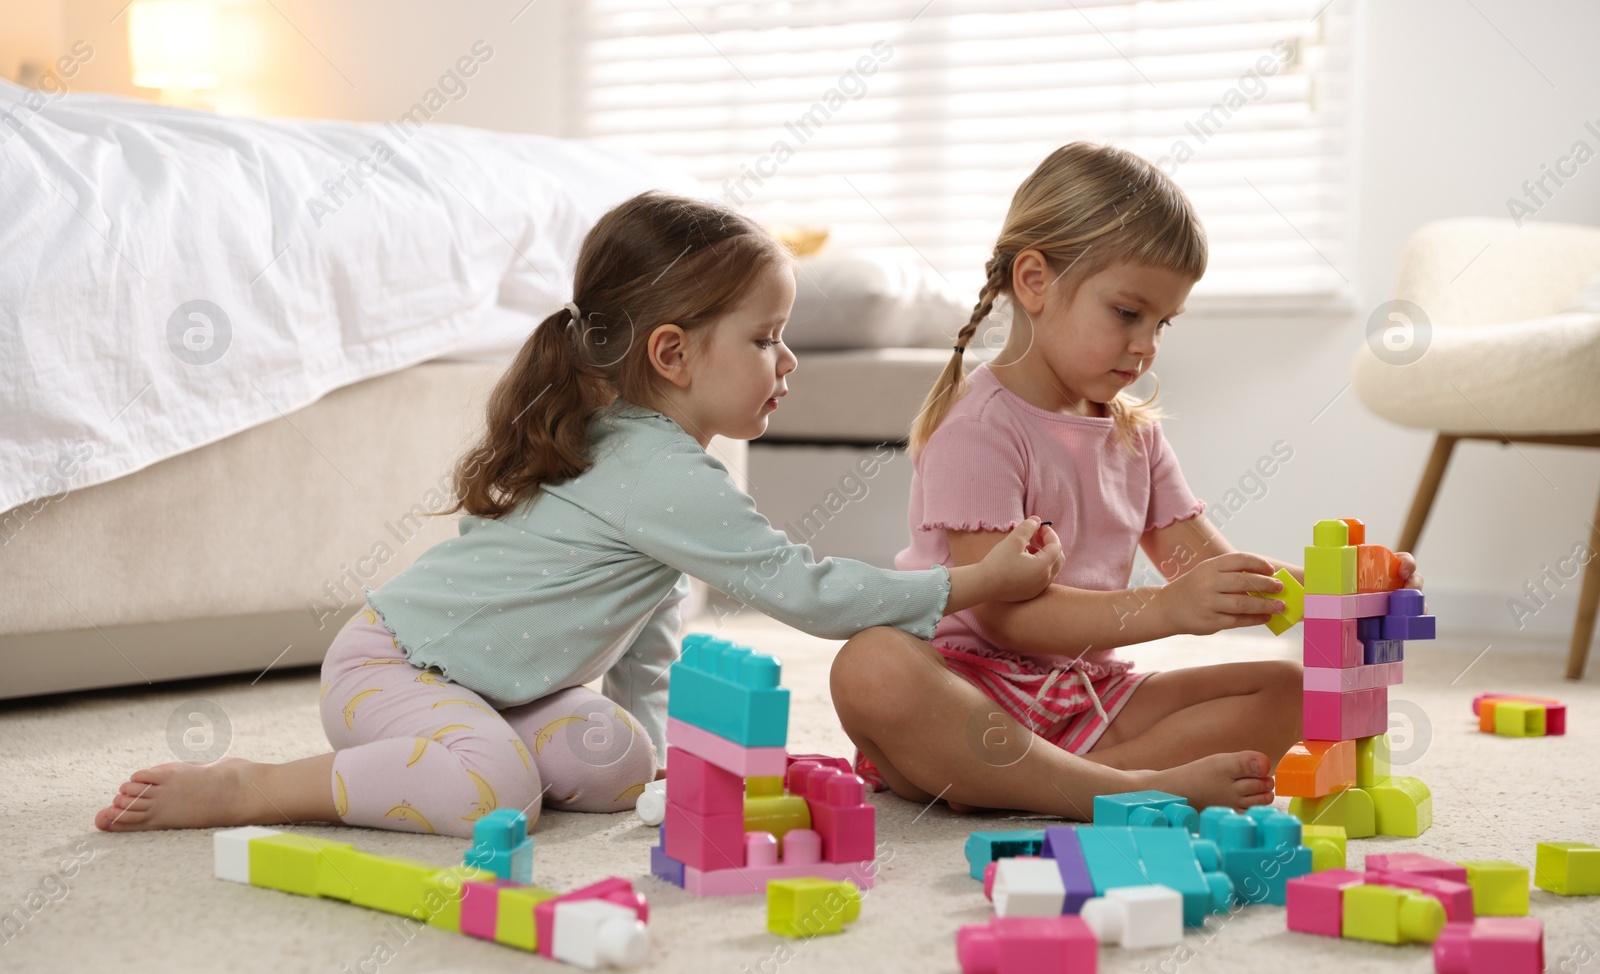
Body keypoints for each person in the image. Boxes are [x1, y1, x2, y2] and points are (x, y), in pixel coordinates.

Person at [95, 192, 1063, 838]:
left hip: (503, 691)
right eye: (766, 338)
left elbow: (648, 629)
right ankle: (257, 785)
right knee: (498, 789)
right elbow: (805, 590)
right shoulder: (656, 470)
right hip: (392, 666)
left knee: (614, 760)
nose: (788, 361)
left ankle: (459, 751)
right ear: (674, 355)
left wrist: (660, 772)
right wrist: (971, 582)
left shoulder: (664, 460)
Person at [830, 143, 1420, 818]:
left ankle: (1053, 783)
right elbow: (1002, 613)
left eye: (1162, 322)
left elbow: (1206, 565)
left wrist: (1342, 592)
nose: (1147, 345)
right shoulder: (978, 427)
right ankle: (1112, 789)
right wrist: (1165, 610)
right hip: (969, 692)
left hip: (1087, 693)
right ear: (1035, 281)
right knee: (872, 662)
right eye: (1127, 313)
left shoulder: (1132, 433)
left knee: (1290, 690)